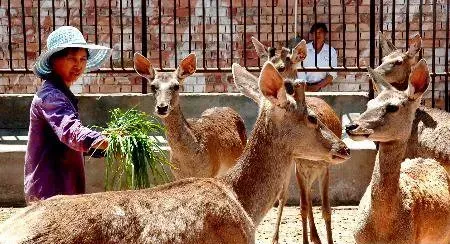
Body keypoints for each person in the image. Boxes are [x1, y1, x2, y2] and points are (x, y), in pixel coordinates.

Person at [25, 26, 112, 203]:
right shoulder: (52, 97)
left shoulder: (59, 93)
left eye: (83, 59)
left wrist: (97, 147)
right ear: (53, 61)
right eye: (71, 58)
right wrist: (106, 141)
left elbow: (66, 140)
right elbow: (72, 133)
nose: (78, 65)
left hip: (62, 190)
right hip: (51, 193)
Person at [297, 23, 337, 92]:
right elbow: (299, 69)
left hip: (324, 88)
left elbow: (333, 73)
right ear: (312, 35)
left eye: (320, 32)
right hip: (305, 87)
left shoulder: (331, 51)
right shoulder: (304, 49)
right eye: (315, 32)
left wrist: (318, 86)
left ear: (325, 34)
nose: (317, 34)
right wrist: (306, 86)